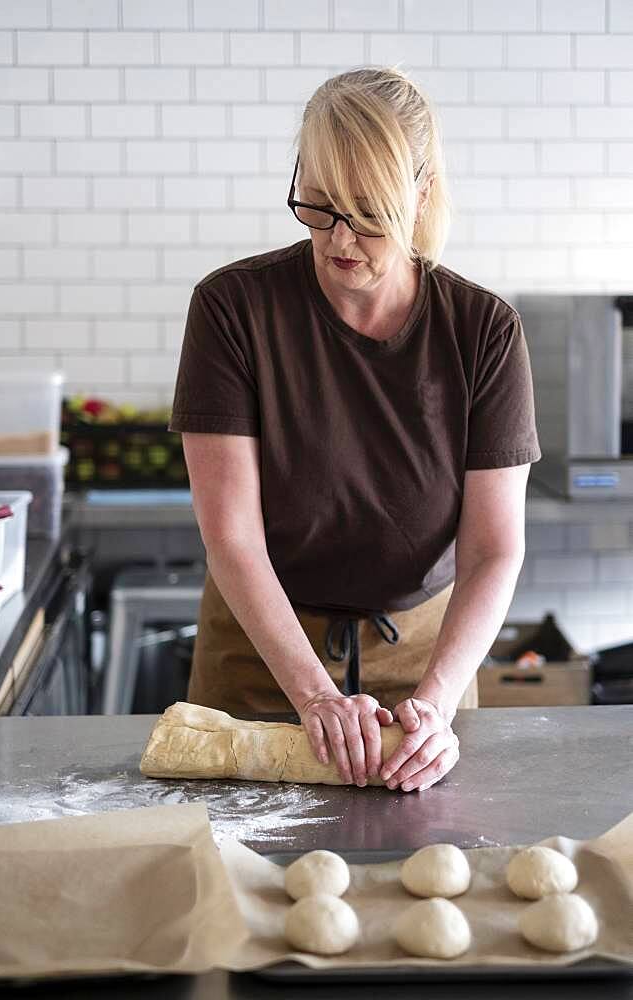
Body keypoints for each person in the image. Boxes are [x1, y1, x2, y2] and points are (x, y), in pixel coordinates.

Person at [169, 66, 541, 793]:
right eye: (318, 206)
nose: (338, 240)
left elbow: (495, 548)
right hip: (259, 658)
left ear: (420, 194)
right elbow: (231, 536)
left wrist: (433, 703)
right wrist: (312, 693)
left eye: (367, 213)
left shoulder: (483, 332)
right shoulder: (232, 309)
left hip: (422, 667)